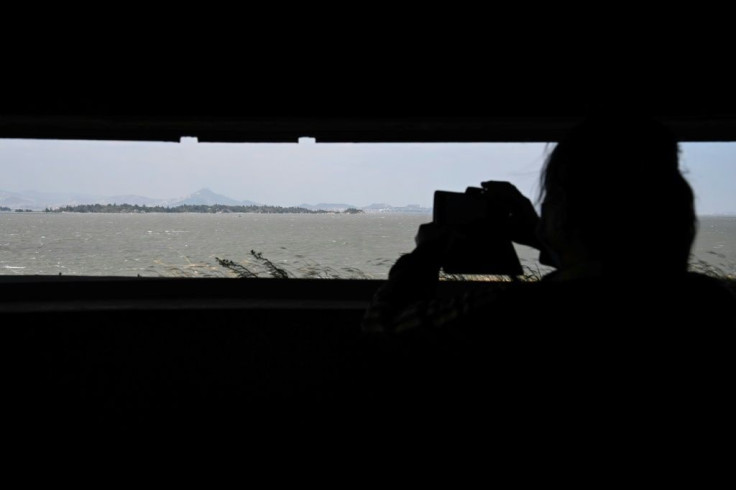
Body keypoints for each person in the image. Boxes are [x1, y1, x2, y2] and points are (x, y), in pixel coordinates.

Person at [354, 115, 735, 452]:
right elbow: (614, 272)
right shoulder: (712, 307)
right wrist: (541, 234)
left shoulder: (515, 315)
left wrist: (426, 254)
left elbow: (383, 329)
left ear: (563, 213)